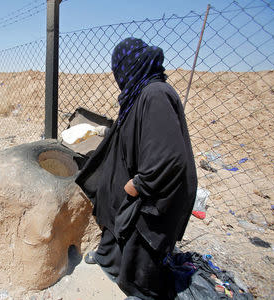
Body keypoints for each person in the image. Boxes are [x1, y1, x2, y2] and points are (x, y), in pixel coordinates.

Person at [76, 37, 197, 299]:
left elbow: (170, 158)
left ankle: (142, 290)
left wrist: (138, 185)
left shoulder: (155, 95)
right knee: (110, 207)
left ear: (128, 66)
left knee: (141, 264)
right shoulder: (139, 91)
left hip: (158, 190)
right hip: (138, 182)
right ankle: (108, 259)